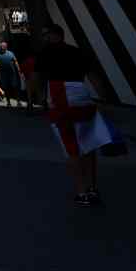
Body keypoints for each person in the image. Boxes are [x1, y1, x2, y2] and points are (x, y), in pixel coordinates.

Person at [35, 24, 106, 207]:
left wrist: (40, 98)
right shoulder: (78, 52)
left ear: (54, 35)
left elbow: (38, 78)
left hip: (61, 99)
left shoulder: (46, 53)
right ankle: (92, 187)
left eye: (46, 34)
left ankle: (81, 191)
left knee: (71, 147)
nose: (44, 38)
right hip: (82, 97)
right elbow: (93, 76)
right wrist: (102, 100)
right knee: (88, 145)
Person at [0, 42, 23, 108]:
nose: (2, 47)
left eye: (3, 46)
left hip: (12, 74)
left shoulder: (11, 53)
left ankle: (18, 101)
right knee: (6, 88)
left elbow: (15, 61)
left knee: (15, 87)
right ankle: (8, 102)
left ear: (6, 46)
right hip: (3, 74)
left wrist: (19, 70)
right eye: (1, 46)